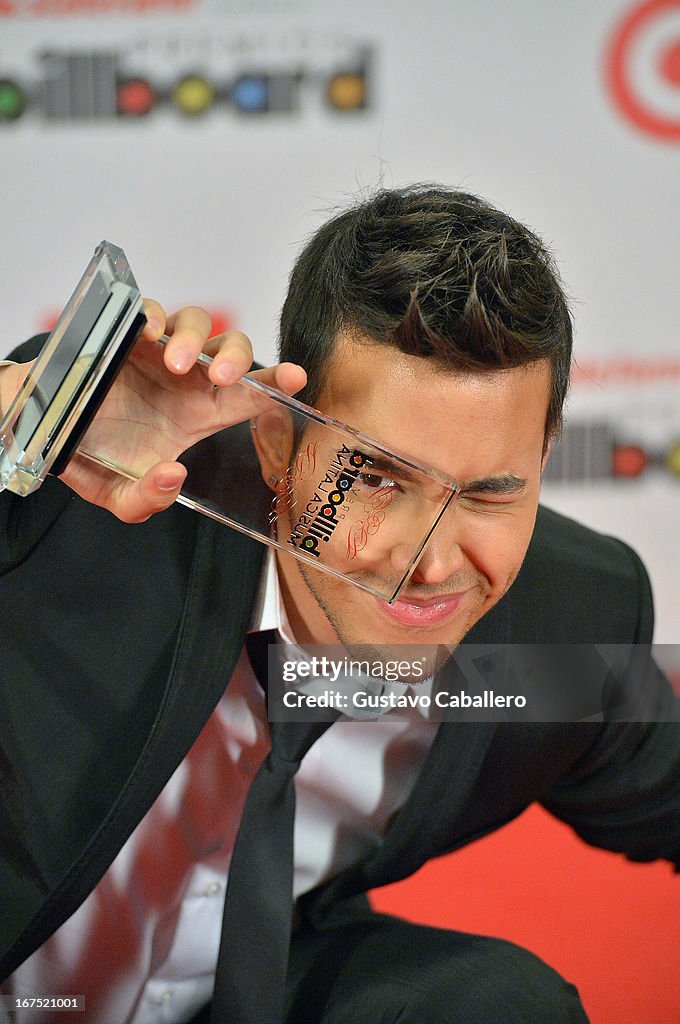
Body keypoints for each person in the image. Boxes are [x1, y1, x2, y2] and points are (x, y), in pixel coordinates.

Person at [0, 185, 678, 1024]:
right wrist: (8, 417)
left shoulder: (571, 620)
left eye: (491, 494)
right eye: (381, 479)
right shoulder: (84, 483)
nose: (430, 564)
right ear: (280, 439)